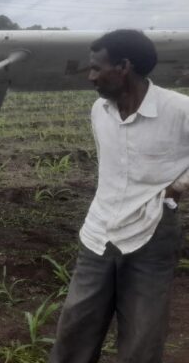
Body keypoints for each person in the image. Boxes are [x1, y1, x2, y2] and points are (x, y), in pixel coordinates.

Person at [50, 29, 189, 362]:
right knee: (75, 328)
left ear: (124, 66)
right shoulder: (100, 111)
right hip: (98, 232)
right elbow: (107, 169)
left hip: (152, 233)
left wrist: (180, 185)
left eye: (97, 68)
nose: (91, 77)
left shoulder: (179, 110)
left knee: (142, 335)